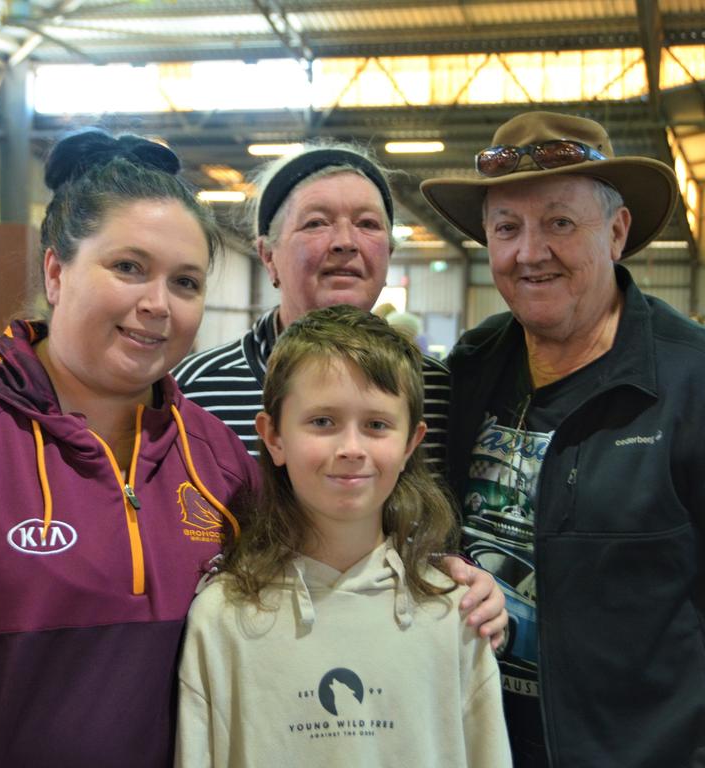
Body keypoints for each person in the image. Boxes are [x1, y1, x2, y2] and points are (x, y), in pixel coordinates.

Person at [421, 110, 705, 767]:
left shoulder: (700, 383)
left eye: (560, 222)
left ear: (616, 232)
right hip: (482, 743)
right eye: (507, 228)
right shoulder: (470, 369)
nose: (530, 252)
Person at [0, 130, 258, 767]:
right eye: (128, 268)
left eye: (185, 282)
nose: (156, 305)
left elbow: (323, 569)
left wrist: (441, 577)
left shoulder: (218, 460)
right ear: (57, 272)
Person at [172, 142, 508, 647]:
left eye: (368, 225)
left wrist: (475, 580)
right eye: (316, 223)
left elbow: (453, 537)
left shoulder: (438, 390)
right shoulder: (193, 393)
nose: (345, 242)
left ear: (388, 255)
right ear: (268, 256)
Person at [174, 305, 512, 768]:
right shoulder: (222, 618)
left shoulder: (455, 612)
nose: (351, 449)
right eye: (322, 422)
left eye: (376, 425)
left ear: (412, 443)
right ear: (273, 437)